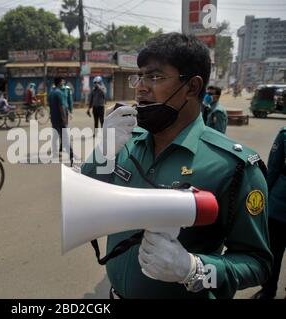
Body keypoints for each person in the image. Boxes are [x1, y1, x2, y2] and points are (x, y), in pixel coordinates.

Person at [81, 32, 272, 299]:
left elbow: (257, 263)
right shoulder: (125, 143)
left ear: (192, 87)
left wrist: (194, 270)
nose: (140, 87)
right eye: (140, 76)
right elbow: (88, 197)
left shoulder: (234, 166)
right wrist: (102, 153)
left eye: (155, 77)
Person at [251, 126, 286, 299]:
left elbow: (273, 169)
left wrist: (265, 199)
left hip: (279, 206)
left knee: (274, 251)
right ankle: (268, 289)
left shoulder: (285, 135)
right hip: (280, 208)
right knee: (274, 251)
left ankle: (268, 291)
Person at [49, 77, 72, 162]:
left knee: (55, 136)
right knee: (65, 137)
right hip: (60, 119)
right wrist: (64, 119)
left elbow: (50, 106)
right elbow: (61, 107)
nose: (63, 82)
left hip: (54, 118)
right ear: (59, 83)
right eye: (62, 81)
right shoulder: (59, 93)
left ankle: (56, 153)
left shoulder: (51, 92)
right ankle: (72, 155)